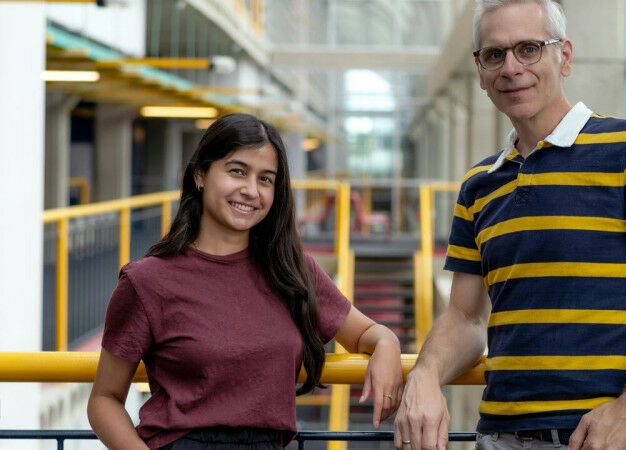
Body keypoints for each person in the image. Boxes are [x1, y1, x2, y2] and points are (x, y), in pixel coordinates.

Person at [394, 1, 626, 449]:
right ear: (480, 72)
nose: (511, 68)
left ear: (564, 57)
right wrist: (425, 375)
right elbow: (466, 317)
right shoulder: (479, 184)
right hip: (499, 437)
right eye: (494, 55)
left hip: (602, 439)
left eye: (528, 49)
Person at [87, 113, 403, 449]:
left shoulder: (292, 271)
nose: (251, 190)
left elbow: (368, 333)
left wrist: (388, 345)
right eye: (237, 171)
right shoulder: (147, 281)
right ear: (200, 174)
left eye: (266, 179)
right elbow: (104, 400)